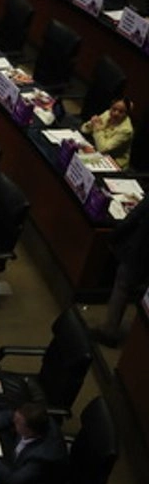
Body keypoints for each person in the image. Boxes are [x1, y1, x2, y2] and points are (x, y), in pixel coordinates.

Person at [91, 198, 149, 347]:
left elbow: (134, 217)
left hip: (140, 251)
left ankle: (109, 331)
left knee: (122, 285)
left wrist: (114, 236)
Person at [81, 97, 134, 169]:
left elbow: (103, 149)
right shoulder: (107, 114)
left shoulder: (126, 130)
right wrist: (91, 124)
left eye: (121, 112)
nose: (115, 113)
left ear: (127, 114)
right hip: (97, 151)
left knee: (82, 165)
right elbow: (84, 129)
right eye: (114, 109)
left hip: (114, 162)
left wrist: (97, 128)